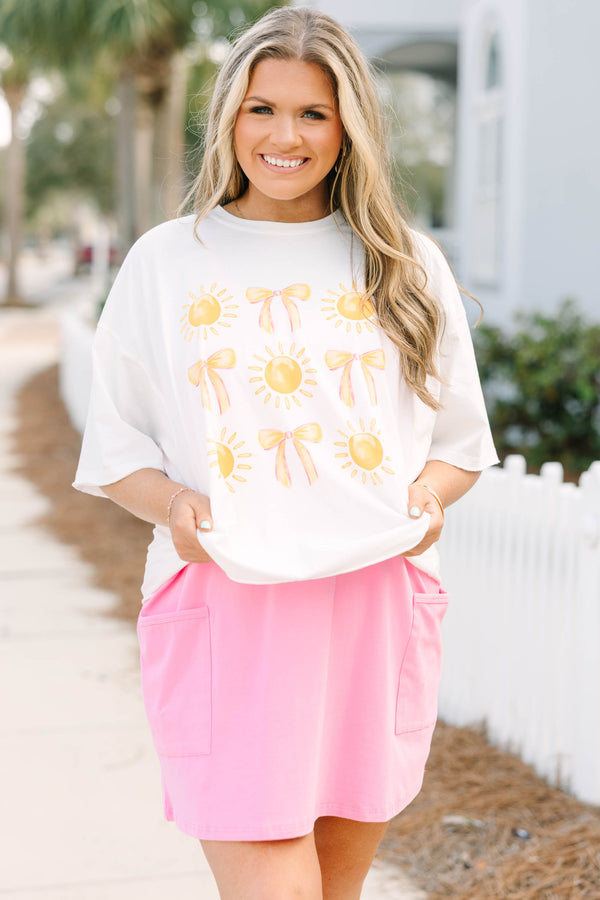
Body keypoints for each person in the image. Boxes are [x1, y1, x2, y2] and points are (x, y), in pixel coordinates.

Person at [74, 6, 498, 898]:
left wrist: (428, 496)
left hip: (368, 608)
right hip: (231, 610)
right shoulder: (167, 261)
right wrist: (174, 508)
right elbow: (116, 451)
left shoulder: (404, 265)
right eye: (262, 109)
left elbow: (460, 446)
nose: (284, 136)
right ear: (228, 116)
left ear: (349, 130)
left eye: (313, 113)